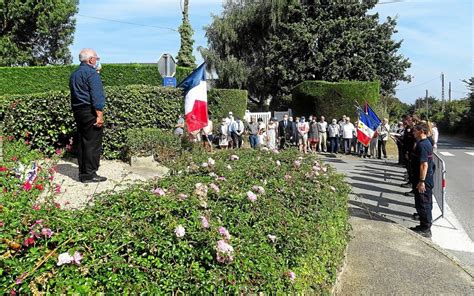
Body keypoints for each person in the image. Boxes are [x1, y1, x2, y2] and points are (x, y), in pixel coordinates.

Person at [69, 48, 107, 183]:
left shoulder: (74, 74)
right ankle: (90, 174)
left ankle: (83, 173)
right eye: (97, 58)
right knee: (92, 143)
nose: (97, 61)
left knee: (83, 142)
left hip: (78, 111)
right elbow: (97, 97)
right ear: (91, 60)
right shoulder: (92, 74)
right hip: (90, 112)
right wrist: (99, 115)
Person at [409, 122, 435, 238]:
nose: (413, 133)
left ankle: (426, 229)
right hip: (422, 179)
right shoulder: (423, 143)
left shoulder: (423, 145)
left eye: (415, 131)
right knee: (422, 203)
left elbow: (424, 165)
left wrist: (421, 181)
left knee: (423, 203)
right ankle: (423, 225)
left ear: (421, 131)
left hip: (423, 181)